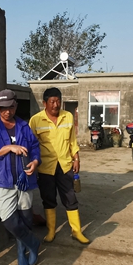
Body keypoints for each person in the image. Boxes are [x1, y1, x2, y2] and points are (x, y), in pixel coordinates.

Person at [0, 89, 41, 265]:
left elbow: (35, 147)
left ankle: (22, 252)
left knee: (26, 217)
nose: (7, 112)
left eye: (11, 107)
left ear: (16, 105)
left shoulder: (23, 126)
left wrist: (35, 162)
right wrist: (9, 147)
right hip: (3, 181)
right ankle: (33, 243)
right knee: (8, 218)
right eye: (3, 108)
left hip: (25, 179)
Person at [28, 87, 89, 244]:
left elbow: (72, 140)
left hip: (65, 165)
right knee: (48, 199)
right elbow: (32, 145)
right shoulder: (35, 120)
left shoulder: (67, 116)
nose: (56, 105)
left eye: (58, 101)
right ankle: (51, 231)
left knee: (70, 198)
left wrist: (76, 158)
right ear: (44, 103)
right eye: (52, 101)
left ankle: (76, 231)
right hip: (45, 167)